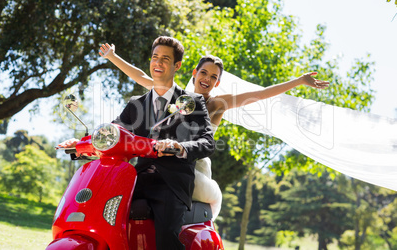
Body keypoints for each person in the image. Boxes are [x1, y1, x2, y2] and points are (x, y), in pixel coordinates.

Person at [98, 43, 330, 218]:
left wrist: (298, 81)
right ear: (194, 73)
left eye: (213, 77)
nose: (207, 79)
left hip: (193, 167)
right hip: (160, 162)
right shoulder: (171, 93)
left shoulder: (216, 104)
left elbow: (259, 95)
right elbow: (140, 76)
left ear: (217, 83)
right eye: (204, 73)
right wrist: (112, 56)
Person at [61, 36, 215, 250]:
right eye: (155, 57)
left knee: (167, 237)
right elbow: (112, 134)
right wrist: (80, 143)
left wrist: (181, 147)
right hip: (134, 181)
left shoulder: (192, 102)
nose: (158, 63)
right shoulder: (136, 104)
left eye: (165, 59)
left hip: (171, 183)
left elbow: (208, 142)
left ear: (177, 65)